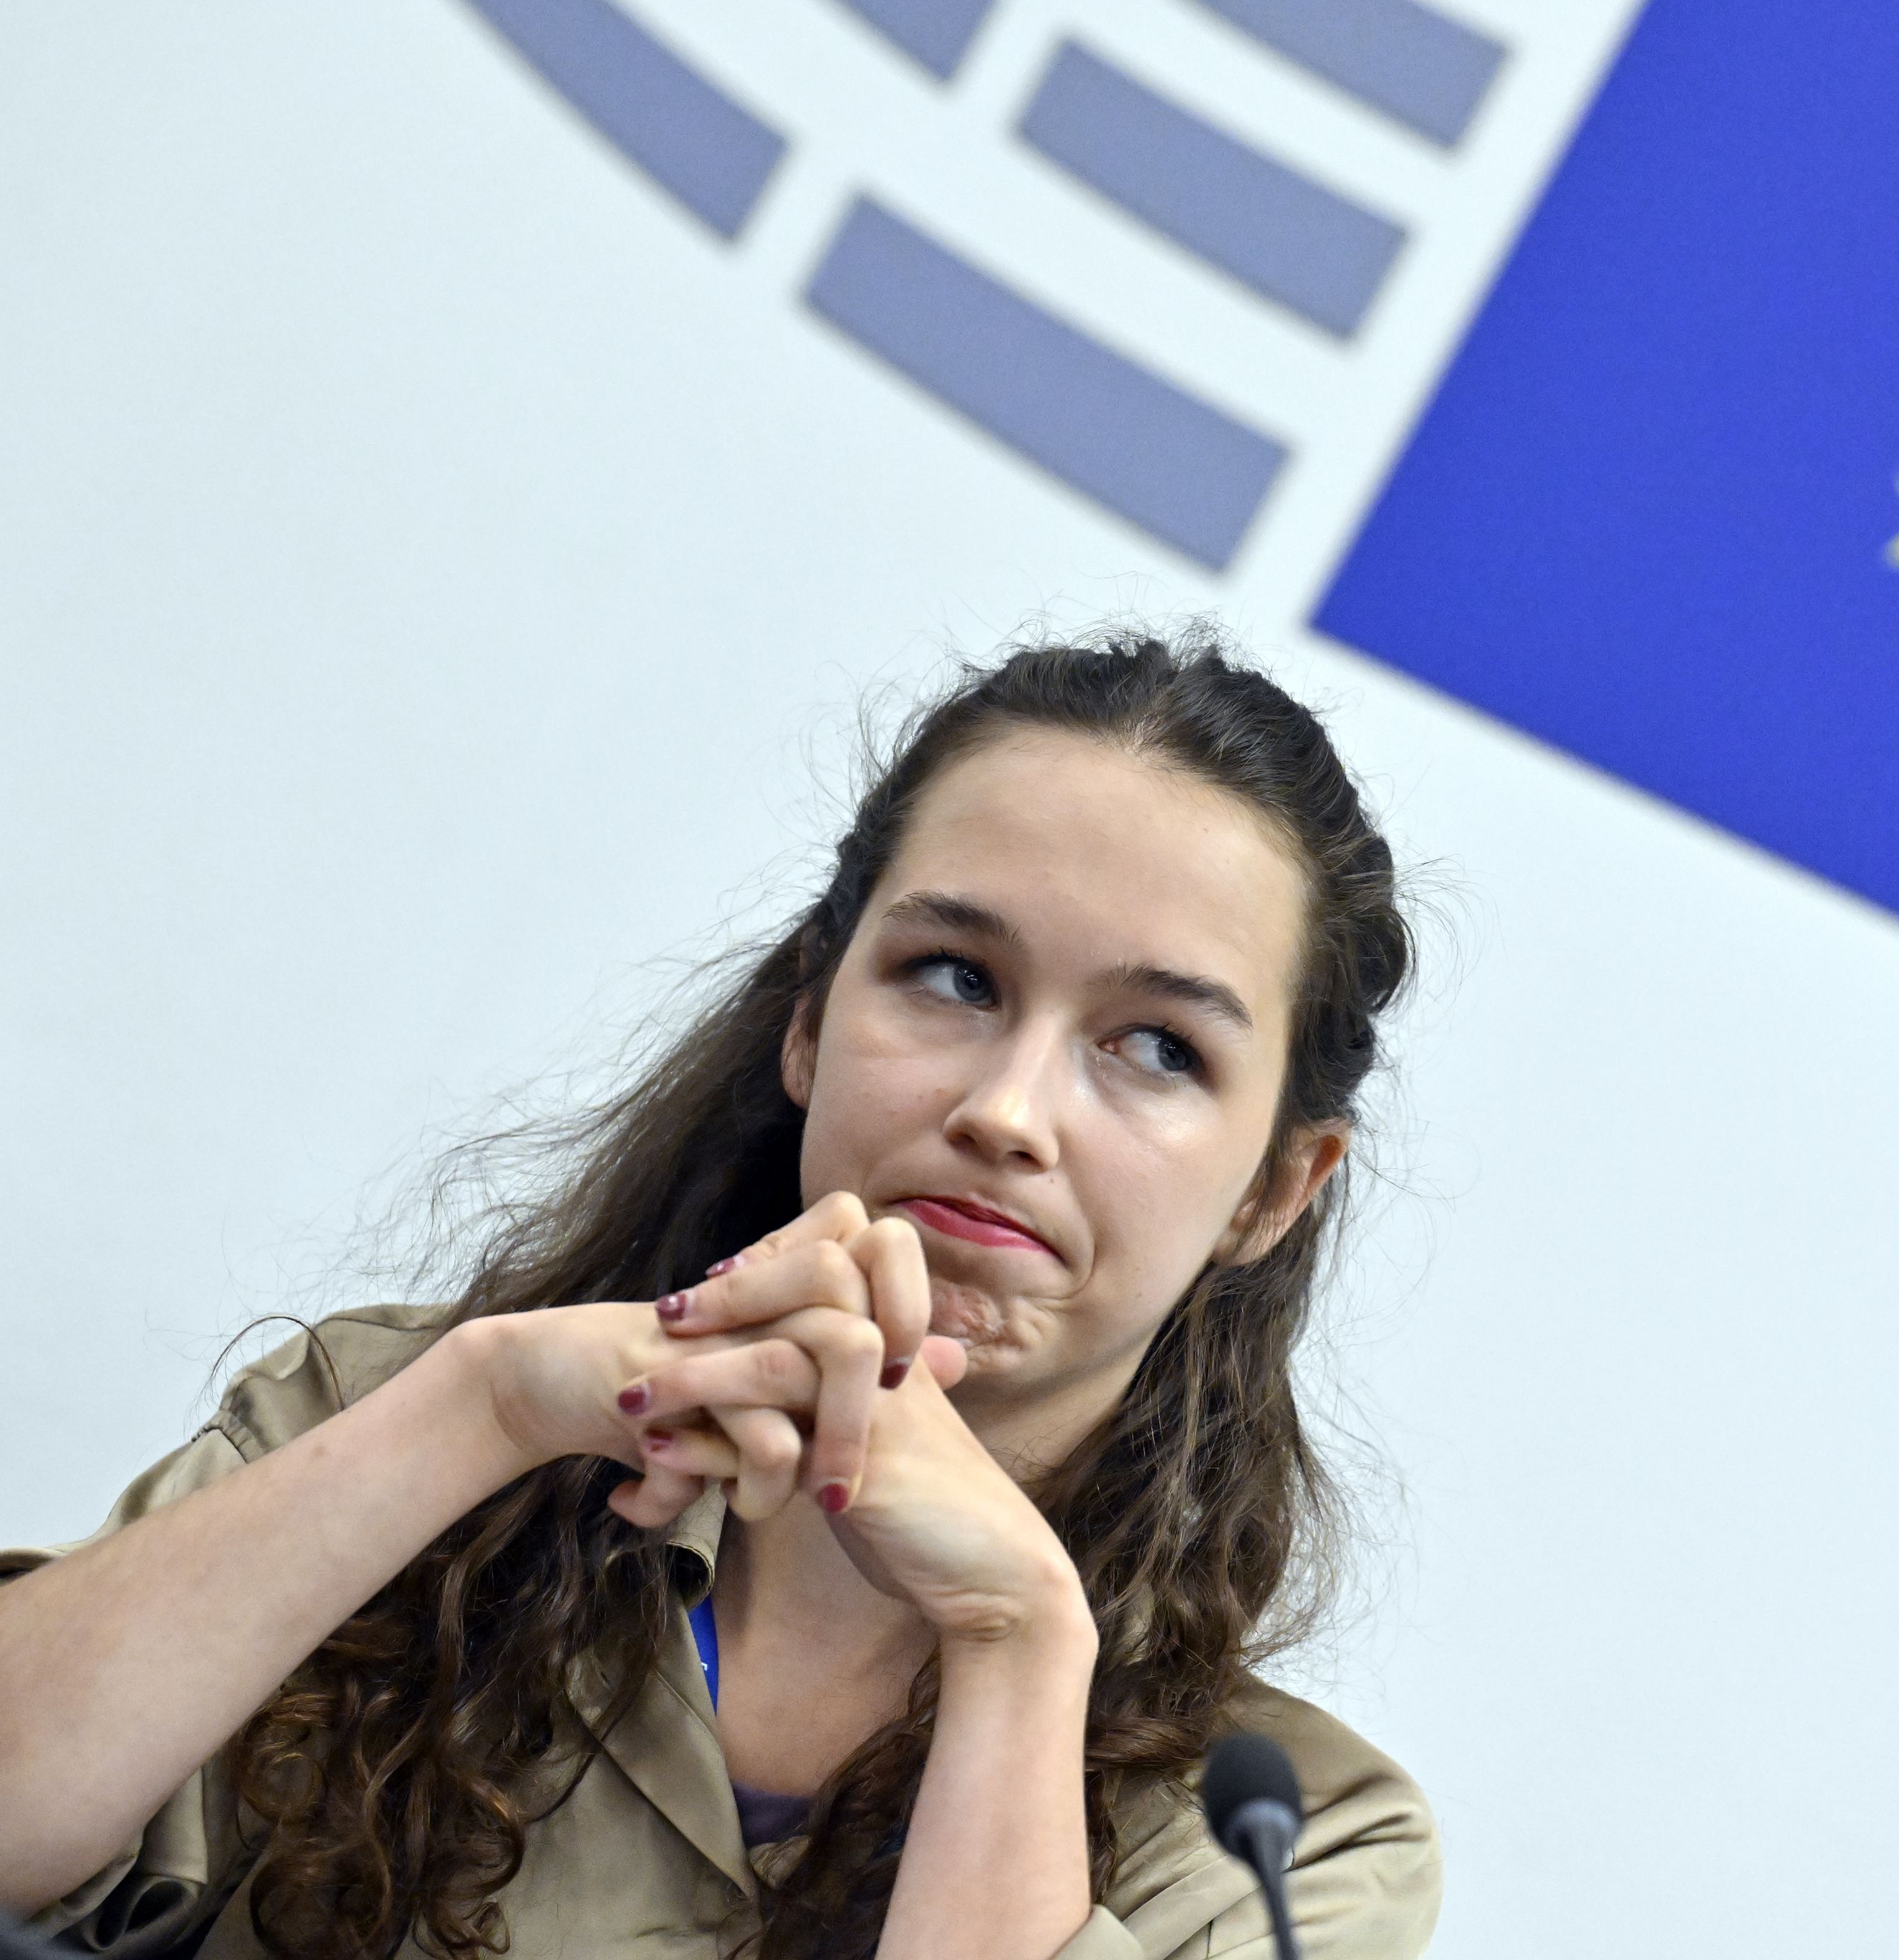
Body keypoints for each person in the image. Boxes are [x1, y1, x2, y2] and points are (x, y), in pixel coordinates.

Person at [0, 628, 1436, 1960]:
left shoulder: (1297, 1841)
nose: (1008, 1110)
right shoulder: (398, 1415)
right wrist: (482, 1409)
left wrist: (1016, 1641)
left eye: (1159, 1049)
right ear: (809, 1018)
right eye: (953, 975)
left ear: (1271, 1189)